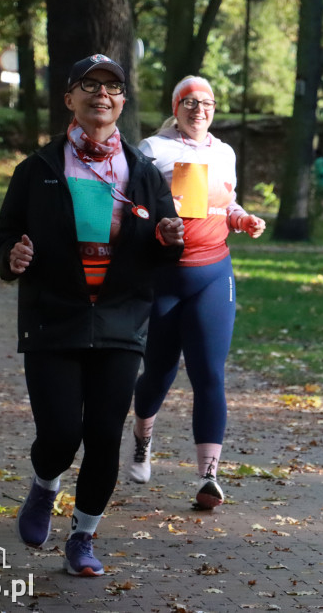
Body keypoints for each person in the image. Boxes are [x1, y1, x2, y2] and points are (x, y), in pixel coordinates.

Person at [0, 54, 184, 577]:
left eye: (113, 87)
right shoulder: (38, 170)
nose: (102, 94)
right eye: (89, 85)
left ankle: (82, 536)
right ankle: (45, 484)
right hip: (54, 318)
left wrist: (168, 239)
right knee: (59, 435)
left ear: (123, 102)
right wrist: (12, 255)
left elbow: (164, 242)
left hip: (121, 322)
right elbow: (6, 233)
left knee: (104, 435)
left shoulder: (142, 173)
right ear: (69, 99)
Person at [128, 75, 266, 510]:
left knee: (210, 373)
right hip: (166, 278)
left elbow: (228, 204)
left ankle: (209, 476)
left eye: (206, 103)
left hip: (213, 274)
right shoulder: (153, 150)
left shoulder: (224, 152)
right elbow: (133, 207)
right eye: (189, 102)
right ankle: (141, 438)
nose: (198, 110)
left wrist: (244, 220)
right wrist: (156, 228)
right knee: (159, 372)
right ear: (176, 107)